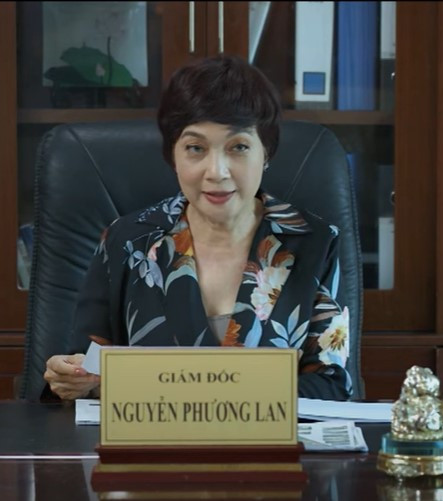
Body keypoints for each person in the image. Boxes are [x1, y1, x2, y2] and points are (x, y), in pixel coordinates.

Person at [43, 55, 352, 401]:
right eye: (195, 148)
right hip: (153, 436)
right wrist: (73, 377)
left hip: (270, 437)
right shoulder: (127, 241)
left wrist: (203, 397)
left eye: (238, 147)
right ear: (172, 155)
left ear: (266, 152)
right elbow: (86, 365)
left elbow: (331, 385)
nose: (216, 171)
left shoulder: (314, 242)